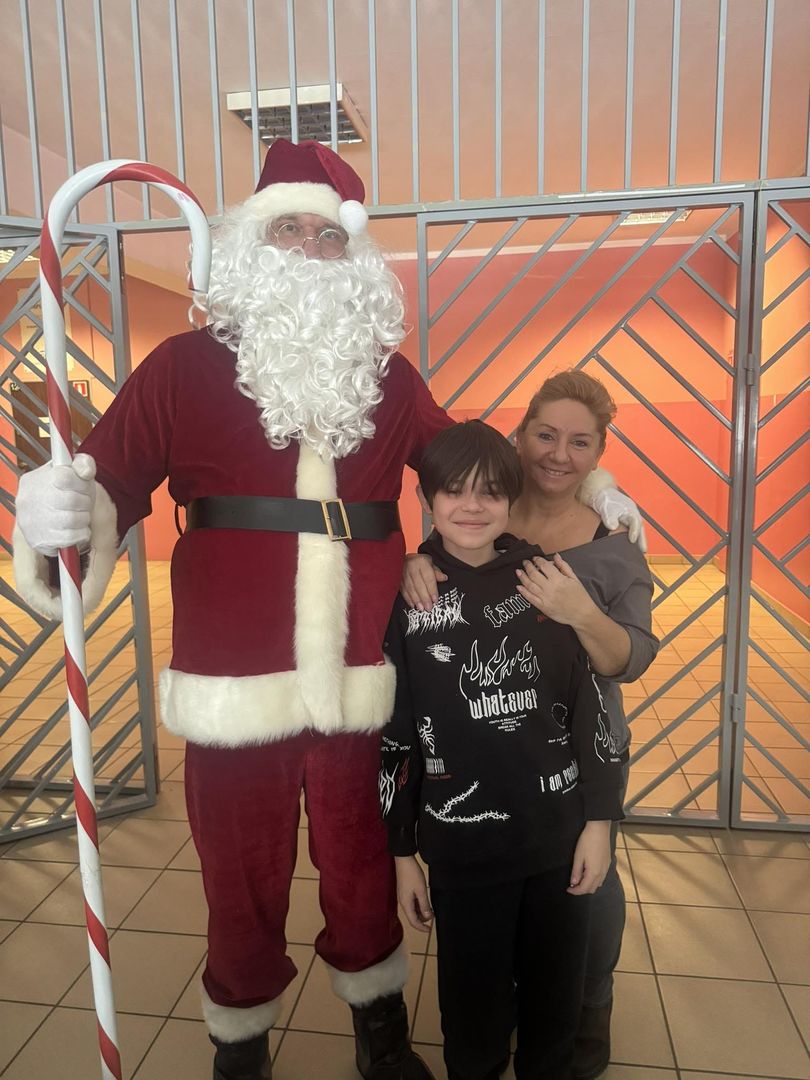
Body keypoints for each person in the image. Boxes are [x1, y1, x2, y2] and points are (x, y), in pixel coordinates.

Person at [13, 137, 642, 1080]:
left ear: (354, 259)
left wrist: (593, 486)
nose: (309, 250)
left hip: (362, 672)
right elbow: (109, 482)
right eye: (290, 230)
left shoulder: (389, 378)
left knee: (363, 860)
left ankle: (378, 1026)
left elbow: (472, 470)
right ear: (253, 243)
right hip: (233, 677)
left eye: (329, 236)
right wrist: (58, 510)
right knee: (238, 876)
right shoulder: (181, 368)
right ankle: (240, 1041)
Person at [401, 372, 658, 1080]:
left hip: (576, 762)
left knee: (585, 909)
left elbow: (631, 660)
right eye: (545, 434)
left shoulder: (615, 544)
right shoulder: (487, 512)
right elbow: (448, 579)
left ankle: (586, 1017)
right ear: (520, 438)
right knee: (492, 950)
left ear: (598, 453)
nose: (558, 454)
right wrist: (415, 561)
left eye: (580, 443)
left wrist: (581, 613)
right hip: (483, 772)